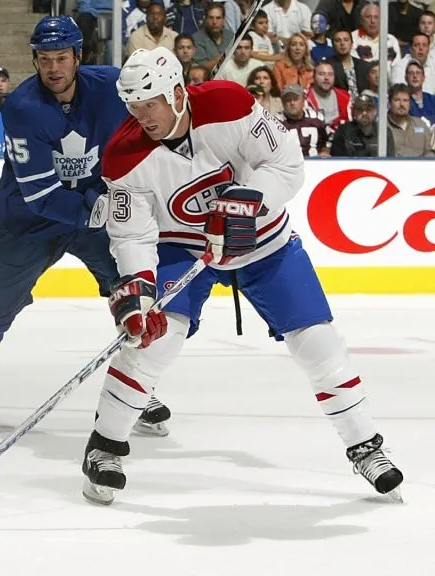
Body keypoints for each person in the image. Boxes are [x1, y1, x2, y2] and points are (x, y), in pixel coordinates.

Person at [81, 46, 404, 505]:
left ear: (176, 94)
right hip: (185, 246)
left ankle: (366, 446)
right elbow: (132, 235)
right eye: (132, 106)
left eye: (148, 104)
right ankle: (104, 447)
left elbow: (288, 165)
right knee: (155, 340)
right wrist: (137, 288)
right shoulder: (123, 155)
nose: (140, 116)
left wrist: (248, 201)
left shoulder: (229, 104)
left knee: (317, 341)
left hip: (264, 241)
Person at [0, 15, 171, 437]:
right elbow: (41, 195)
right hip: (27, 218)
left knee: (133, 291)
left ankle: (136, 387)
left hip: (95, 212)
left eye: (61, 57)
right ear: (34, 61)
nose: (53, 68)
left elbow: (156, 108)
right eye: (44, 59)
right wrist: (98, 207)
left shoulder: (112, 87)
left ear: (78, 56)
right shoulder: (22, 107)